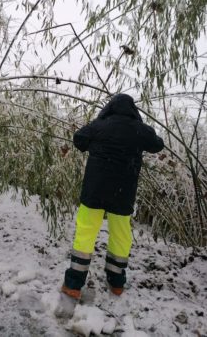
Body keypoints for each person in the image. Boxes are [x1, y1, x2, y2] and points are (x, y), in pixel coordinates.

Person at [61, 93, 164, 299]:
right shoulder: (139, 130)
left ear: (109, 108)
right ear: (133, 111)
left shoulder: (100, 125)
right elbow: (157, 145)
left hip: (94, 190)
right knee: (120, 235)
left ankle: (73, 284)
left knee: (86, 233)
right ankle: (116, 283)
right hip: (123, 194)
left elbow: (79, 139)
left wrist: (98, 131)